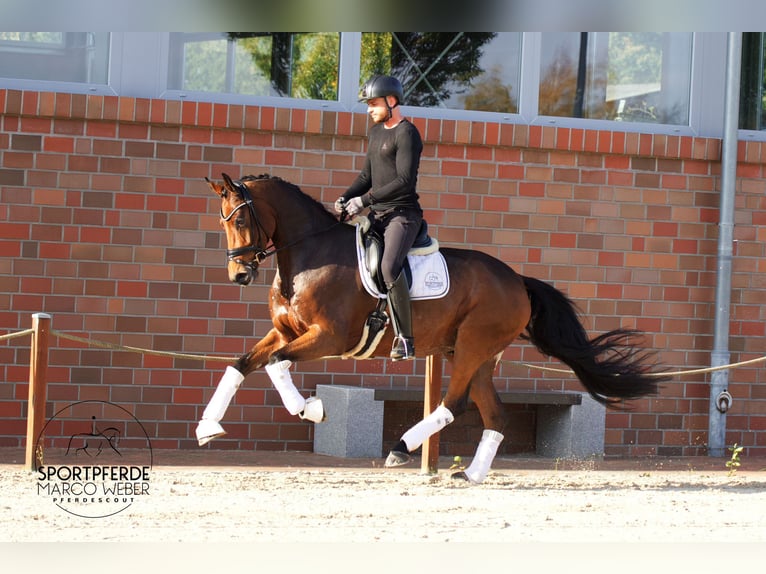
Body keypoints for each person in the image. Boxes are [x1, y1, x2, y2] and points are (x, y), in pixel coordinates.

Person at [334, 74, 424, 361]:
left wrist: (364, 200)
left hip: (403, 215)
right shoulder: (375, 133)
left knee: (388, 268)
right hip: (378, 214)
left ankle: (405, 339)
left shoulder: (407, 133)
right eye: (368, 105)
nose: (369, 110)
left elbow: (403, 181)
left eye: (373, 104)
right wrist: (348, 197)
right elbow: (366, 176)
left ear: (392, 101)